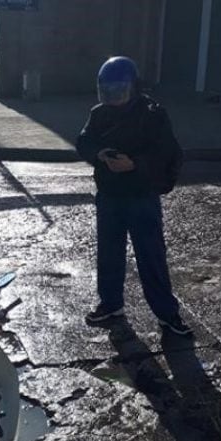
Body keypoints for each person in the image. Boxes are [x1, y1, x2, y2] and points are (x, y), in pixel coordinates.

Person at [76, 56, 191, 337]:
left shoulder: (152, 114)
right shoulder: (99, 113)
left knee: (151, 257)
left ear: (133, 88)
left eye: (119, 92)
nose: (113, 99)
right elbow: (84, 141)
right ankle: (111, 304)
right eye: (107, 92)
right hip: (110, 196)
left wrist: (135, 164)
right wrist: (99, 154)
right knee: (109, 254)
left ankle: (167, 315)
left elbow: (167, 154)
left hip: (141, 197)